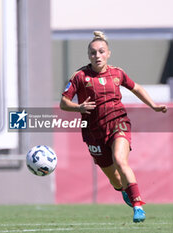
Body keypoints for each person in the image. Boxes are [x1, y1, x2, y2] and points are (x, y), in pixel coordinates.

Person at [60, 31, 167, 223]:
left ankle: (138, 206)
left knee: (120, 159)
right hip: (93, 132)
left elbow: (137, 88)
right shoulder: (80, 76)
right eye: (93, 53)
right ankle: (124, 190)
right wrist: (79, 107)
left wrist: (153, 105)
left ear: (108, 53)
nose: (97, 56)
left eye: (101, 51)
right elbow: (63, 102)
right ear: (88, 56)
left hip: (118, 122)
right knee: (115, 180)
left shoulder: (117, 73)